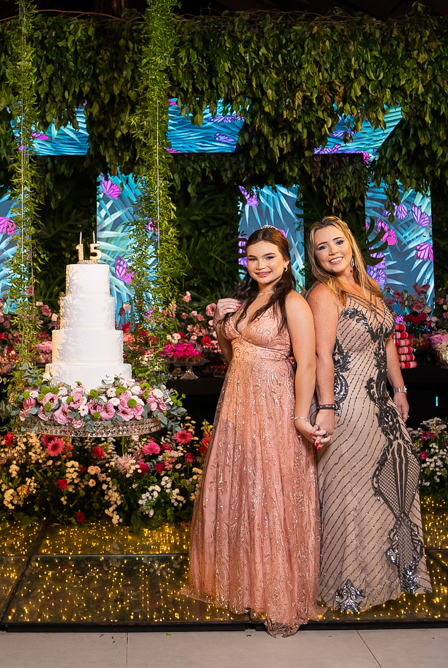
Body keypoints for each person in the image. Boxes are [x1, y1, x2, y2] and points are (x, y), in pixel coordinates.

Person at [186, 226, 323, 636]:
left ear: (286, 260)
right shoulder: (247, 300)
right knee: (242, 490)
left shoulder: (293, 301)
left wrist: (300, 417)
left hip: (274, 405)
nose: (260, 265)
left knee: (270, 493)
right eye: (252, 258)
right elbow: (232, 354)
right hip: (237, 404)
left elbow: (308, 364)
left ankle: (279, 598)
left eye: (268, 257)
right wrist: (220, 322)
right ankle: (248, 588)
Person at [305, 215, 429, 613]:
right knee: (351, 496)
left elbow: (387, 342)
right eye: (322, 247)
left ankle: (391, 579)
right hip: (346, 405)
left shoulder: (369, 287)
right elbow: (322, 355)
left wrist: (399, 389)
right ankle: (349, 588)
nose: (332, 252)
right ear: (314, 257)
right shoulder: (324, 294)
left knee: (394, 488)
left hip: (381, 407)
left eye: (337, 242)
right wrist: (327, 408)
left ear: (350, 244)